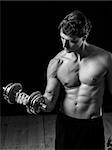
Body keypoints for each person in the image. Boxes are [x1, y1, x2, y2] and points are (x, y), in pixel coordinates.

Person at [16, 10, 112, 150]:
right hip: (65, 125)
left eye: (72, 41)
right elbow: (48, 103)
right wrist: (30, 101)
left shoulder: (106, 59)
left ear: (84, 37)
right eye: (62, 38)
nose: (64, 45)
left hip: (92, 126)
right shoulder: (56, 63)